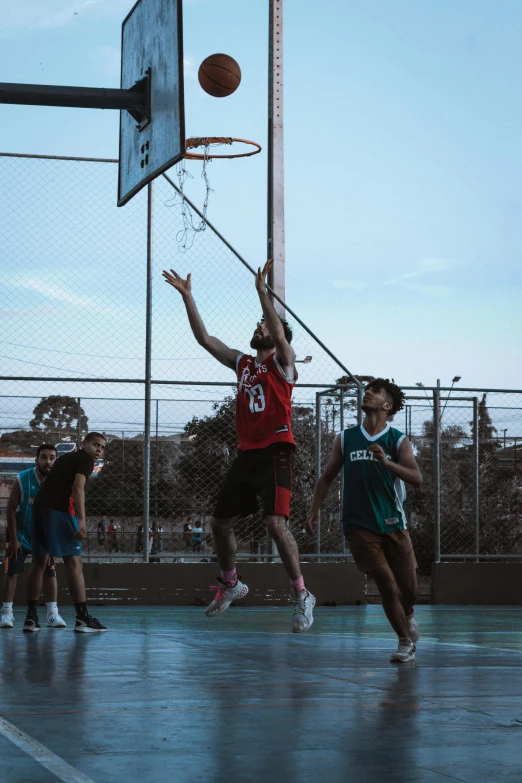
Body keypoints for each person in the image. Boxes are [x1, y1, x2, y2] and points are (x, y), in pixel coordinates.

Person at [163, 259, 315, 633]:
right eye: (258, 323)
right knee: (219, 522)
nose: (258, 326)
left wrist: (263, 294)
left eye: (264, 324)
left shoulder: (284, 363)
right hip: (247, 454)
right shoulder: (244, 364)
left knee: (275, 524)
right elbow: (205, 340)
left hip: (277, 451)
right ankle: (231, 584)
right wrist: (188, 297)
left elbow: (280, 336)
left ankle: (301, 595)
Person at [306, 379, 422, 662]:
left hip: (393, 522)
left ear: (387, 405)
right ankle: (404, 642)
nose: (367, 391)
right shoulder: (346, 438)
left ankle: (408, 613)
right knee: (385, 584)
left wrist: (387, 463)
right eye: (366, 388)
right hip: (358, 524)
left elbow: (417, 478)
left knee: (410, 589)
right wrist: (314, 509)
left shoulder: (397, 440)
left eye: (375, 391)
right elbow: (327, 477)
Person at [24, 432, 108, 633]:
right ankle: (82, 619)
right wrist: (81, 519)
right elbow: (78, 488)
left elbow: (46, 484)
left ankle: (31, 618)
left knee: (38, 563)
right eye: (95, 444)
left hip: (40, 509)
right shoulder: (85, 460)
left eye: (102, 447)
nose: (99, 449)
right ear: (84, 444)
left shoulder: (65, 459)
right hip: (59, 511)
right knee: (73, 563)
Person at [1, 444, 66, 630]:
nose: (48, 461)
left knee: (50, 571)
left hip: (44, 533)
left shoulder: (58, 481)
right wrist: (13, 540)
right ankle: (7, 613)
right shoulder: (22, 479)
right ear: (36, 459)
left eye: (52, 458)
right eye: (44, 457)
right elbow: (11, 510)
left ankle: (52, 614)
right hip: (20, 533)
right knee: (12, 571)